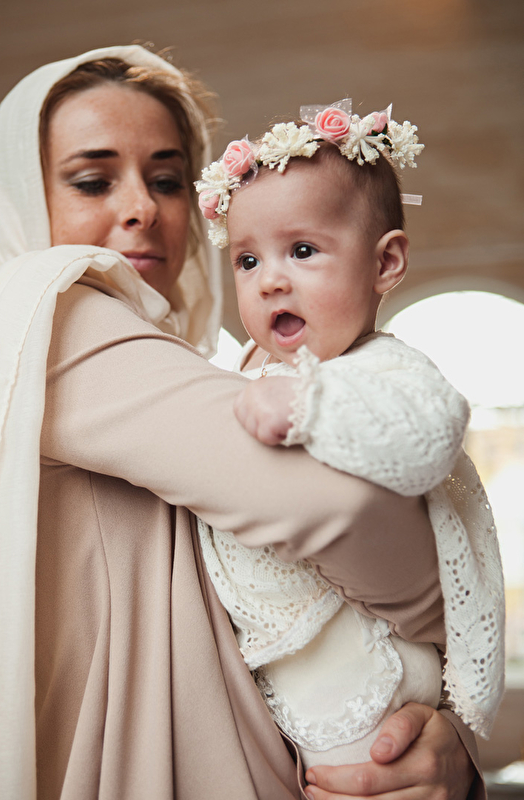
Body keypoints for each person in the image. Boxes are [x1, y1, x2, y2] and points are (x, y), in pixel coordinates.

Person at [0, 46, 483, 800]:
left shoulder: (200, 363)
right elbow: (330, 504)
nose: (142, 208)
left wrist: (440, 750)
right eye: (93, 181)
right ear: (21, 199)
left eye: (168, 180)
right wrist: (454, 623)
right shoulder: (51, 315)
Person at [195, 105, 505, 768]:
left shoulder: (381, 367)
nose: (271, 279)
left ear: (385, 262)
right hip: (283, 667)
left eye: (303, 251)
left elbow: (429, 436)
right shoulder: (244, 370)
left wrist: (309, 404)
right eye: (247, 260)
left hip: (368, 674)